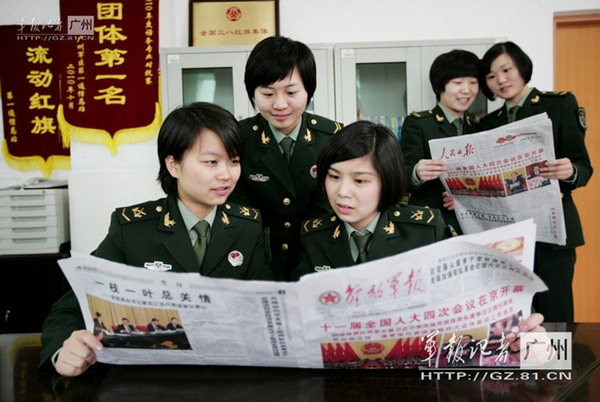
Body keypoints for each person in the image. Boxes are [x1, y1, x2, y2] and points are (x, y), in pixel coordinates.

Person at [39, 102, 273, 377]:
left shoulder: (247, 227)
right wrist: (63, 349)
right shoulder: (132, 229)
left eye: (234, 161)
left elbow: (263, 309)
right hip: (152, 379)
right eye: (211, 162)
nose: (226, 174)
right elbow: (69, 309)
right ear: (173, 165)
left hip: (228, 377)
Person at [478, 41, 593, 322]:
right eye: (491, 76)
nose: (500, 80)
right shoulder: (487, 124)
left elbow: (583, 166)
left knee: (554, 310)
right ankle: (520, 353)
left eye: (506, 70)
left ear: (522, 67)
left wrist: (570, 170)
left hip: (553, 228)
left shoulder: (559, 104)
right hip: (506, 233)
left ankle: (554, 353)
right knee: (510, 312)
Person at [228, 35, 343, 281]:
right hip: (256, 264)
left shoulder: (334, 138)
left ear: (308, 90)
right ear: (253, 93)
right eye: (267, 94)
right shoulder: (237, 139)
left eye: (291, 92)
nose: (280, 105)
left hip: (320, 263)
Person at [292, 120, 449, 278]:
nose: (343, 192)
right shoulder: (314, 238)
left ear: (388, 180)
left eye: (359, 181)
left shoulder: (424, 233)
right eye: (334, 176)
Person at [400, 49, 481, 236]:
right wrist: (417, 173)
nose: (466, 90)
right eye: (457, 83)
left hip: (473, 227)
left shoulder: (479, 127)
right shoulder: (419, 123)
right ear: (440, 86)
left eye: (473, 82)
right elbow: (400, 176)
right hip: (431, 226)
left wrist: (466, 197)